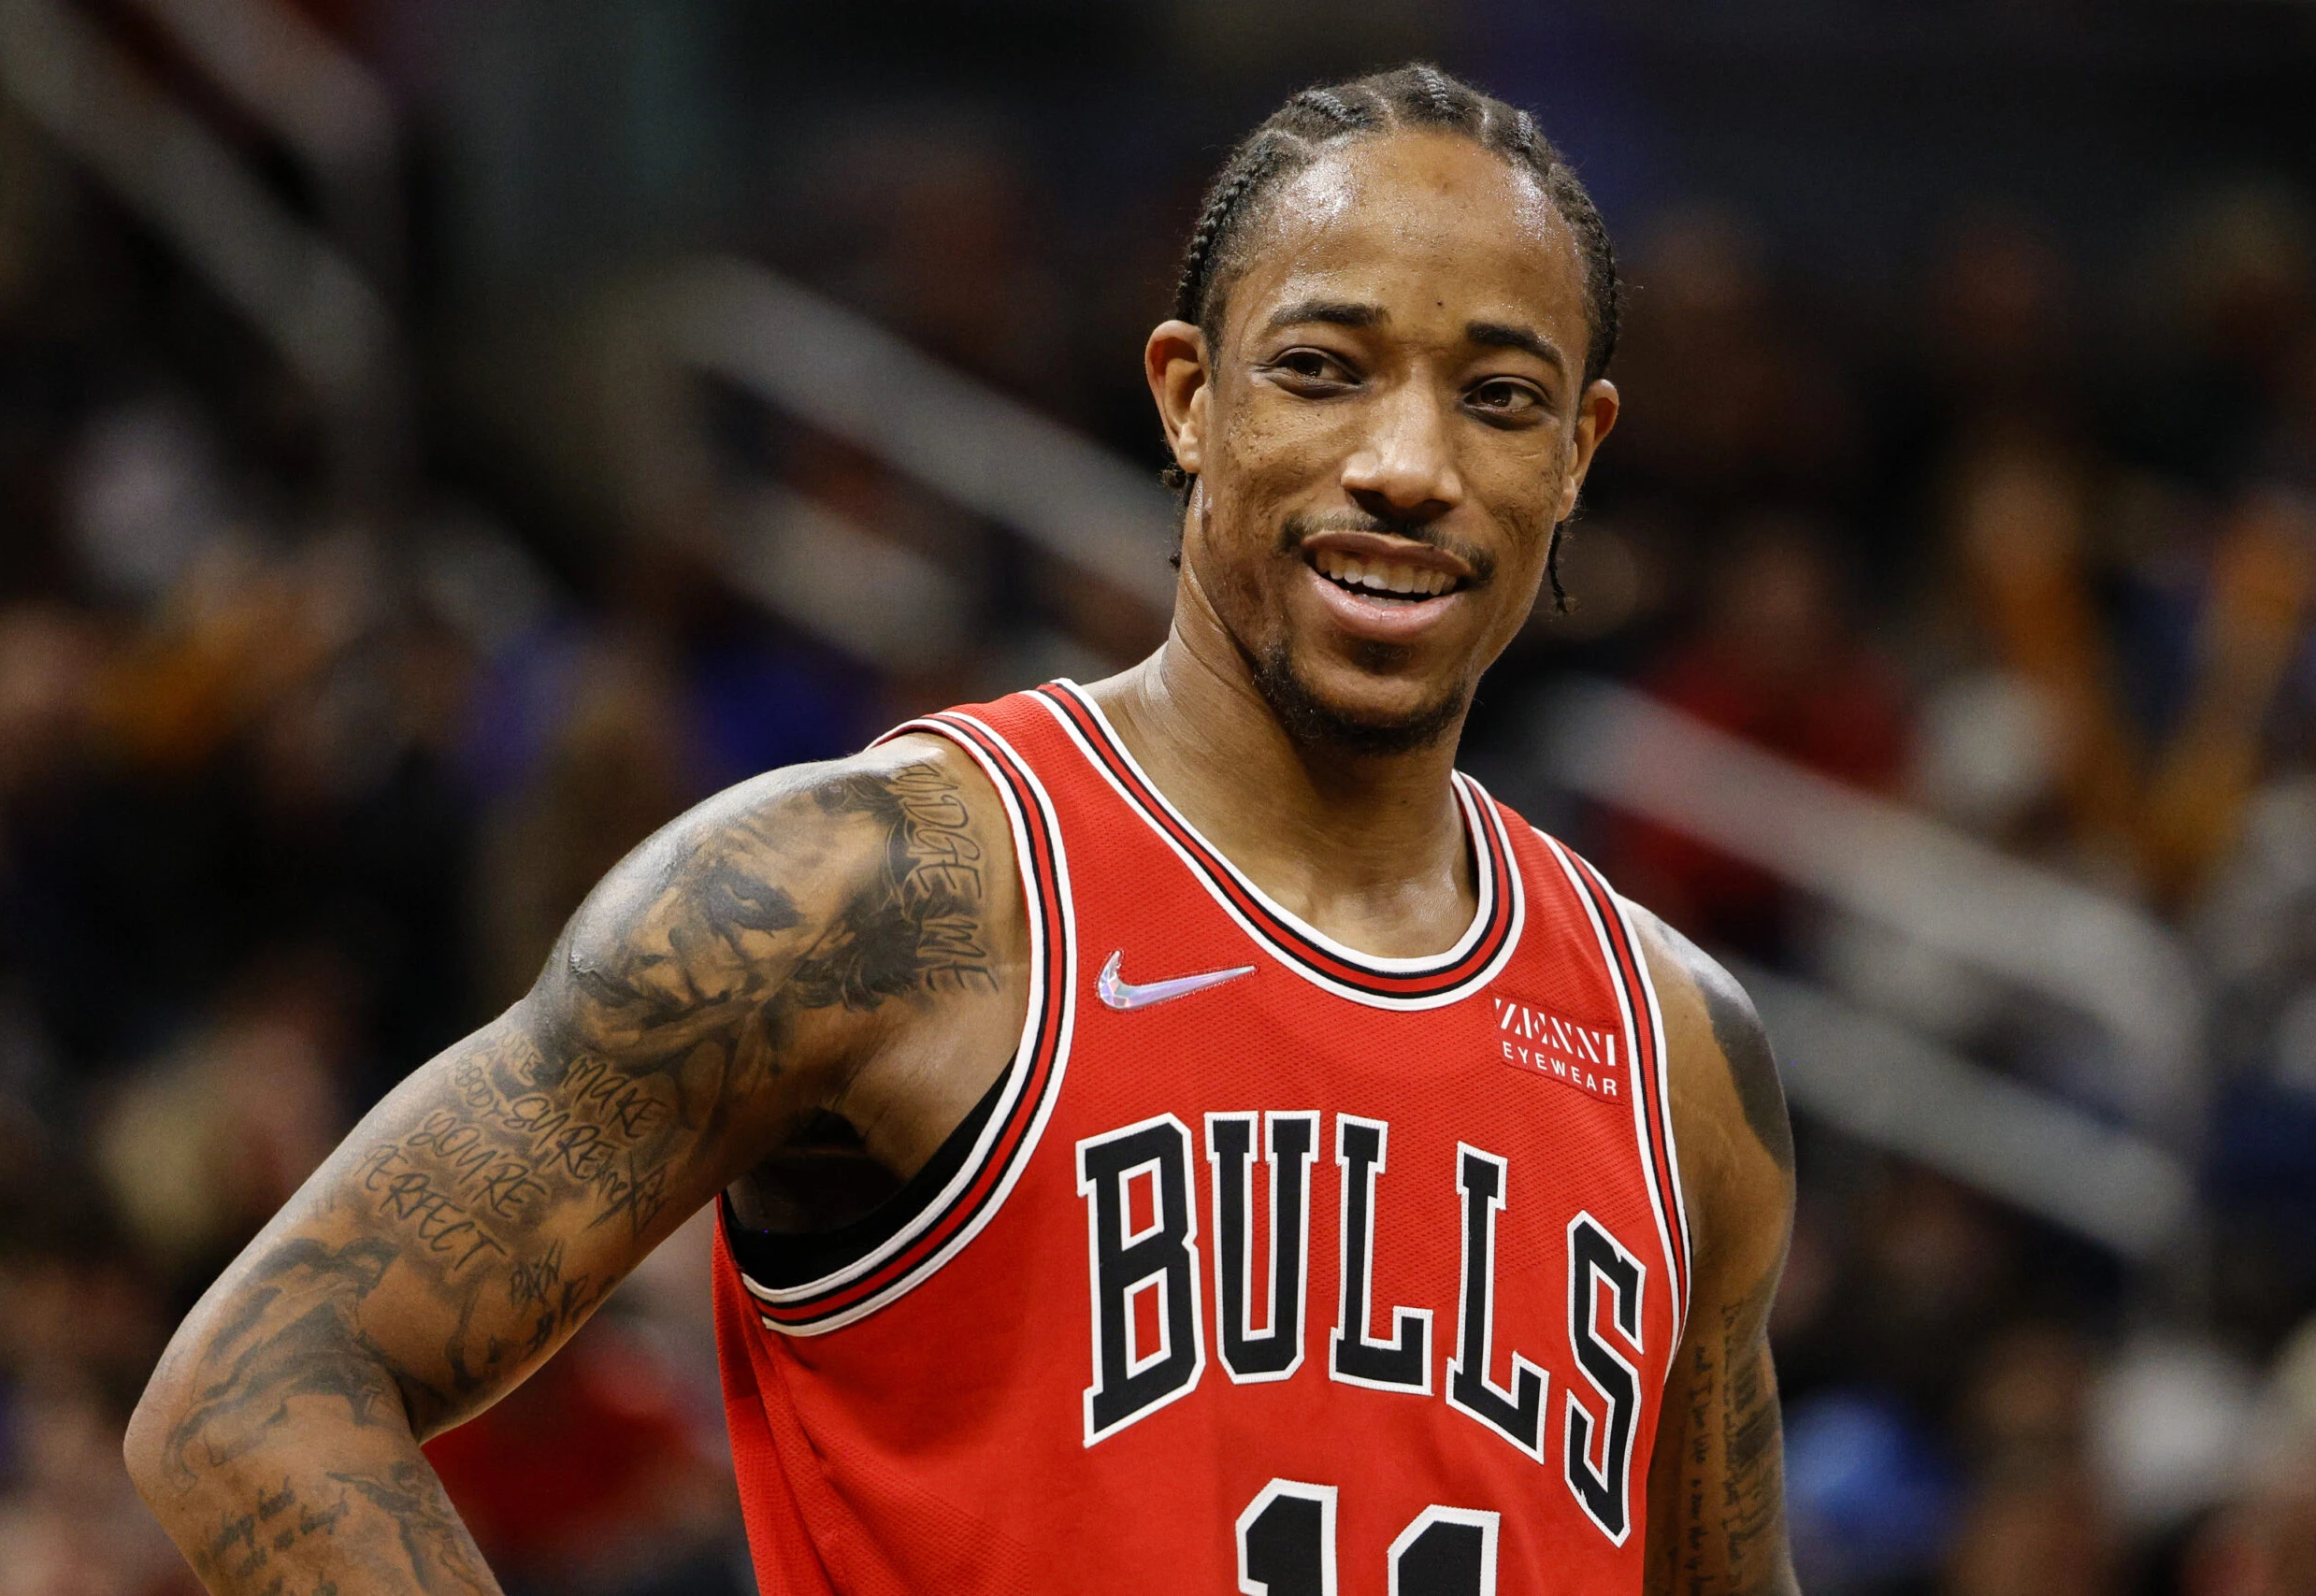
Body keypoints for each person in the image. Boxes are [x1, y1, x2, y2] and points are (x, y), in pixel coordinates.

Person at [125, 65, 1798, 1596]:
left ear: (1578, 455)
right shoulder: (875, 891)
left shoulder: (1678, 1058)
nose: (1408, 463)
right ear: (1189, 399)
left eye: (1499, 399)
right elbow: (258, 1387)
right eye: (1323, 370)